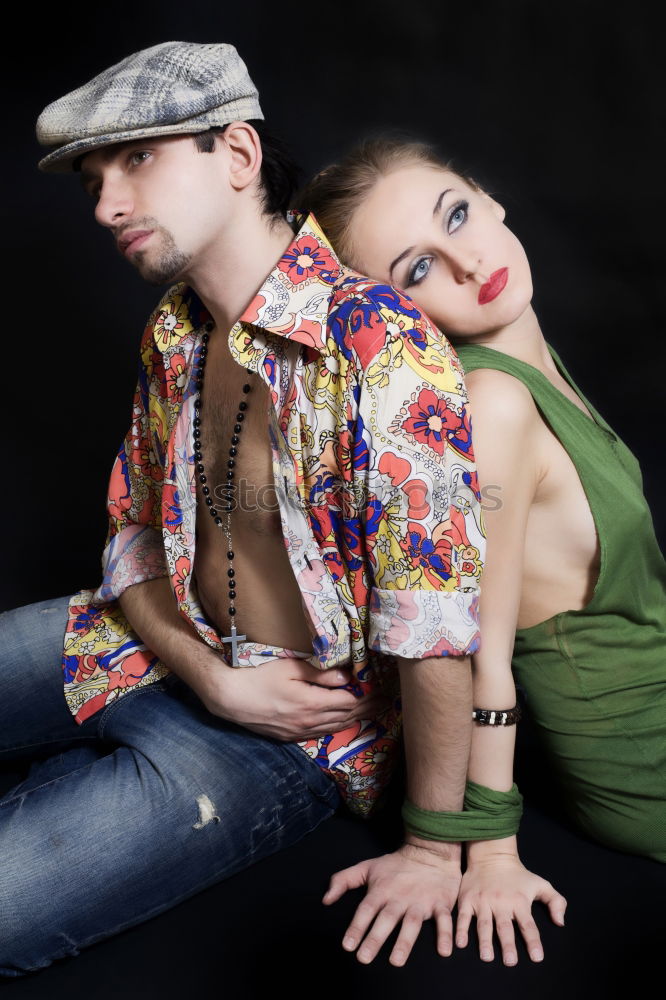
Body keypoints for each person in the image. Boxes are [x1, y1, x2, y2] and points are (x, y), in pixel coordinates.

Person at [1, 43, 547, 977]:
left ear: (241, 156)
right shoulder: (174, 329)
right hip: (145, 642)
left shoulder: (379, 346)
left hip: (301, 738)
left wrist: (430, 844)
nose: (107, 205)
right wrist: (204, 672)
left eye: (139, 159)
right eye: (96, 179)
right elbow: (133, 529)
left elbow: (435, 630)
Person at [298, 133, 666, 945]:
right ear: (393, 312)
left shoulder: (527, 350)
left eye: (456, 214)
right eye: (417, 270)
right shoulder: (493, 405)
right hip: (639, 744)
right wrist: (486, 846)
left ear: (486, 195)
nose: (467, 263)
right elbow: (477, 653)